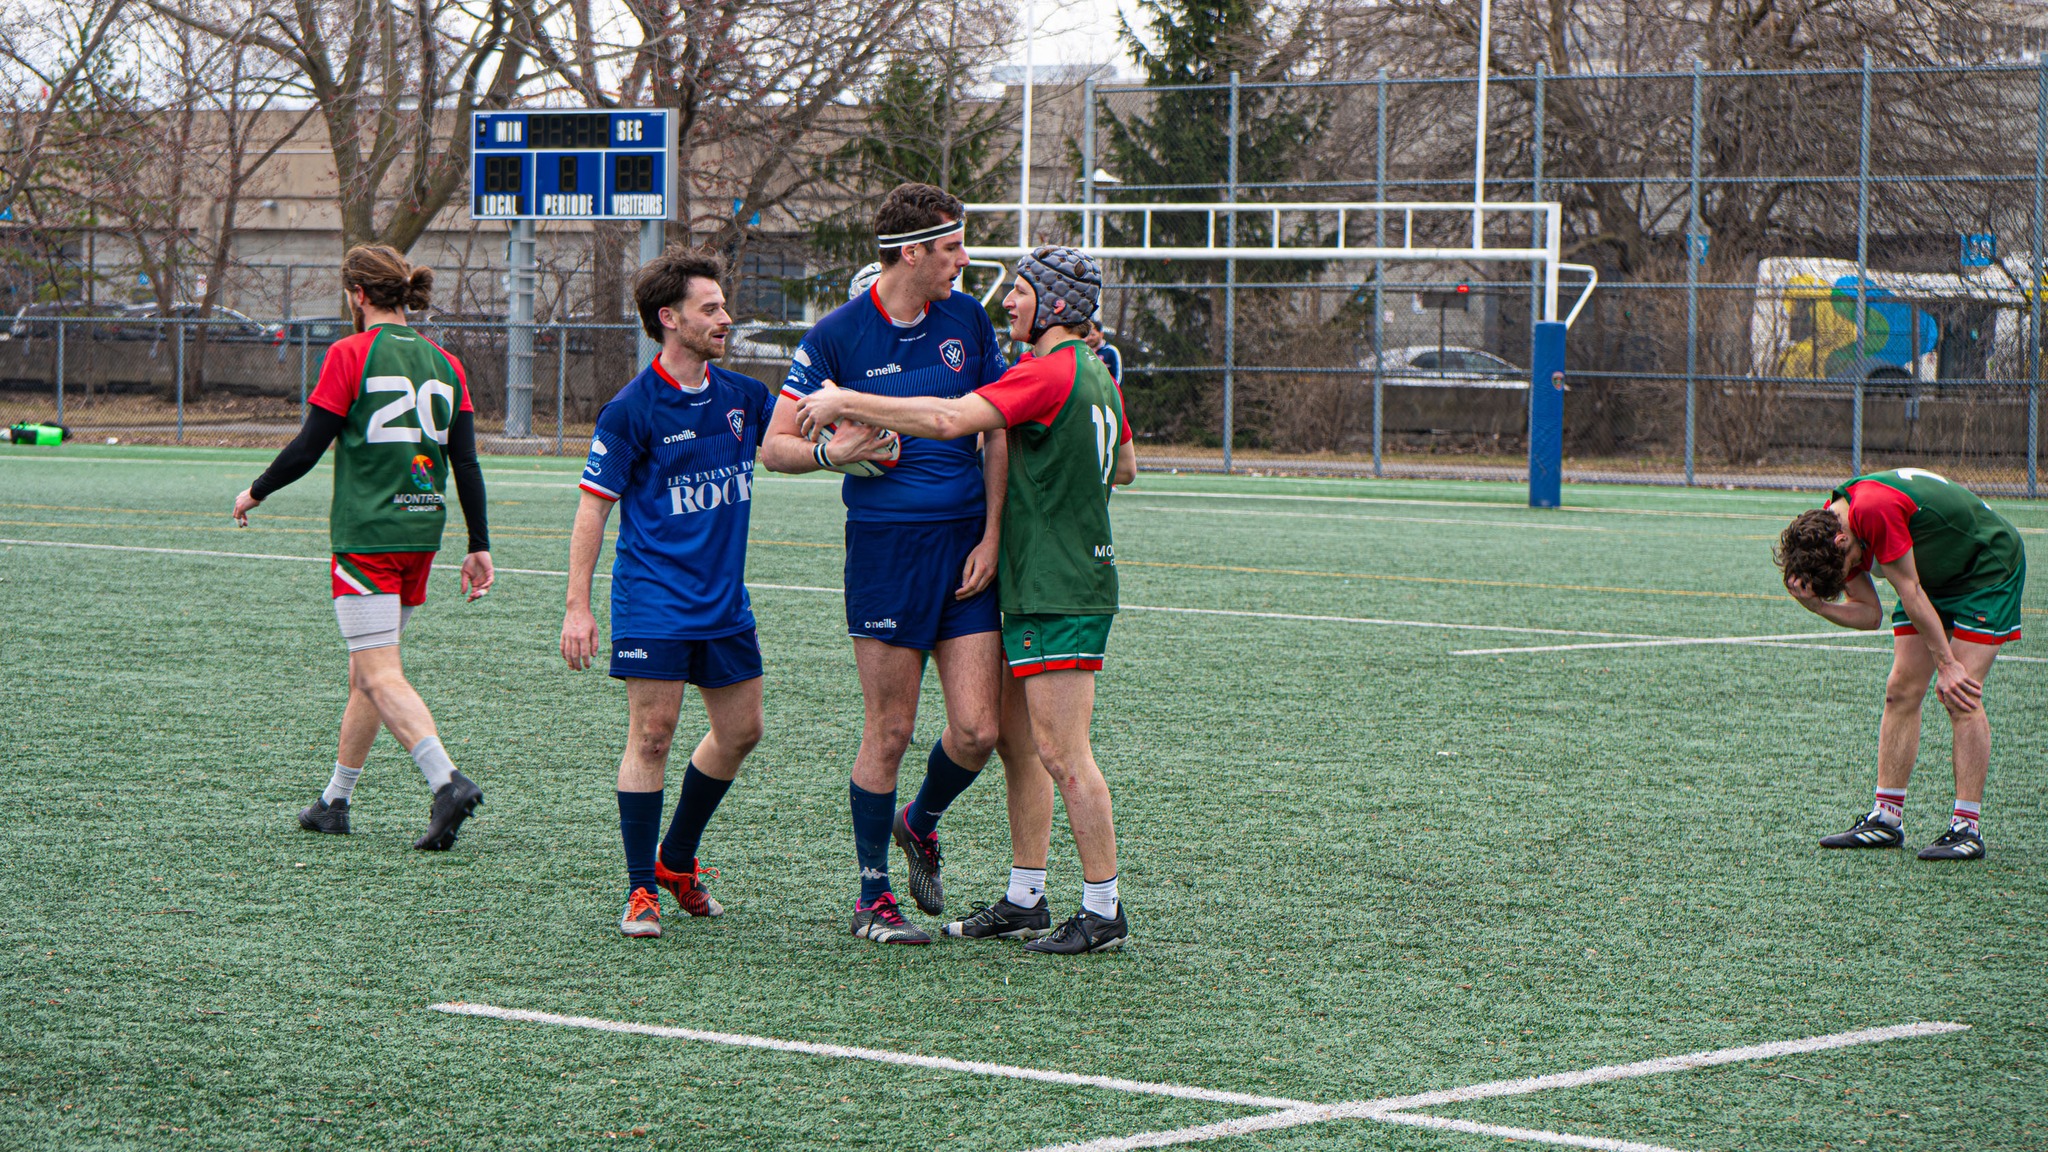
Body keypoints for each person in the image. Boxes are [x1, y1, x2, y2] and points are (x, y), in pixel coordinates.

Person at [797, 245, 1139, 954]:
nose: (1007, 303)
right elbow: (1126, 466)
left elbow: (954, 421)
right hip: (1045, 579)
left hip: (1057, 584)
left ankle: (1103, 910)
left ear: (1056, 307)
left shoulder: (1046, 374)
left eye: (1019, 292)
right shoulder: (1096, 373)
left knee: (1061, 752)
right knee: (1016, 742)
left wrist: (846, 400)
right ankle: (1025, 897)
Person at [762, 183, 1012, 946]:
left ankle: (920, 822)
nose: (963, 262)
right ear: (911, 253)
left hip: (966, 547)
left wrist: (993, 535)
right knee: (892, 730)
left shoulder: (967, 321)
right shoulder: (836, 335)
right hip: (885, 554)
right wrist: (832, 453)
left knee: (976, 730)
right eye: (951, 249)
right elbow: (775, 447)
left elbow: (996, 428)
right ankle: (873, 899)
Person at [232, 245, 492, 851]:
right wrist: (478, 543)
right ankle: (334, 801)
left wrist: (255, 491)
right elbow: (468, 462)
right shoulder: (445, 362)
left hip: (368, 535)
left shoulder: (350, 353)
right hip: (421, 532)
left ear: (357, 295)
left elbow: (308, 445)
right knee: (366, 673)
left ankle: (445, 780)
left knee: (379, 672)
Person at [561, 247, 773, 938]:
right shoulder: (632, 409)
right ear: (669, 318)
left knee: (742, 732)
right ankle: (641, 889)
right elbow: (593, 508)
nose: (725, 318)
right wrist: (578, 606)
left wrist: (847, 442)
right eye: (710, 308)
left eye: (723, 306)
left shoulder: (744, 396)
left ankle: (676, 859)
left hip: (724, 603)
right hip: (653, 597)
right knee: (652, 736)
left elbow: (792, 446)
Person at [1775, 467, 2026, 861]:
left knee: (1959, 691)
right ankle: (1887, 819)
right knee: (1900, 690)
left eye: (1848, 566)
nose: (1853, 570)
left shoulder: (1872, 510)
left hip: (1986, 569)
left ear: (1843, 540)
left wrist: (1947, 663)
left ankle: (1966, 827)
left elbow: (1907, 589)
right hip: (1931, 578)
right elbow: (1869, 613)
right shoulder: (1831, 530)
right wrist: (1819, 605)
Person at [1084, 320, 1123, 387]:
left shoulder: (1111, 351)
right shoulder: (1084, 350)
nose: (1090, 338)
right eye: (1088, 335)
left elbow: (1118, 378)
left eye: (1093, 335)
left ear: (1101, 334)